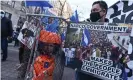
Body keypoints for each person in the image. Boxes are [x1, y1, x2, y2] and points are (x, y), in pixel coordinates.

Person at [76, 1, 109, 80]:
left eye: (95, 10)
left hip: (100, 74)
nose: (92, 13)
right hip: (82, 72)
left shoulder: (112, 31)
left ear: (104, 11)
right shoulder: (84, 27)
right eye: (91, 11)